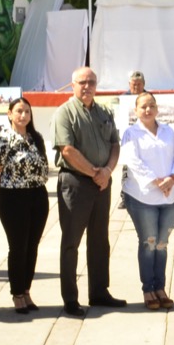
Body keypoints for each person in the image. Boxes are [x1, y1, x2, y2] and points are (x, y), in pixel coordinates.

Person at [53, 66, 124, 317]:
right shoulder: (65, 112)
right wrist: (95, 172)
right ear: (72, 85)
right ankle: (70, 298)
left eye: (91, 82)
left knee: (100, 240)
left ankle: (99, 292)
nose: (87, 86)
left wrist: (107, 171)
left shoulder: (104, 111)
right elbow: (67, 150)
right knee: (71, 242)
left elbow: (115, 144)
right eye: (82, 82)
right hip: (76, 183)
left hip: (102, 184)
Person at [120, 91, 174, 310]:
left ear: (157, 109)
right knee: (149, 242)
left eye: (151, 106)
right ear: (136, 110)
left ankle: (160, 288)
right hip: (143, 197)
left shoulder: (168, 132)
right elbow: (133, 162)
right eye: (143, 106)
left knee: (162, 244)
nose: (148, 110)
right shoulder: (131, 133)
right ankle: (148, 289)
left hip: (169, 196)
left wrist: (172, 178)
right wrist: (158, 182)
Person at [0, 96, 50, 314]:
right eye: (19, 111)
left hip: (38, 196)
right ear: (10, 114)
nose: (23, 115)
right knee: (18, 247)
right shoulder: (3, 140)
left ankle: (26, 290)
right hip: (13, 198)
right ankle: (16, 294)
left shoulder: (36, 139)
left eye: (26, 112)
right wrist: (8, 188)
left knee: (32, 246)